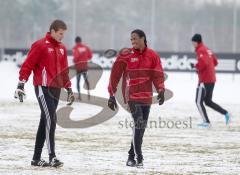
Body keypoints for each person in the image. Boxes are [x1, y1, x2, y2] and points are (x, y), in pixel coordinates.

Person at [14, 19, 75, 167]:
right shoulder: (40, 45)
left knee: (45, 121)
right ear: (53, 31)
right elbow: (28, 65)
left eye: (63, 34)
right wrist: (21, 84)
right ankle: (52, 156)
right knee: (51, 119)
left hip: (56, 89)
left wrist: (69, 88)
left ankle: (36, 158)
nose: (62, 37)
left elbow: (64, 71)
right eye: (60, 34)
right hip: (43, 87)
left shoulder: (62, 48)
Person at [107, 29, 165, 167]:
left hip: (147, 97)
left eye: (135, 39)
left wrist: (161, 90)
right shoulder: (125, 54)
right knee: (138, 125)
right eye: (131, 39)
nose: (133, 42)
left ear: (143, 38)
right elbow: (114, 75)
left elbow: (158, 75)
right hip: (132, 97)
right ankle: (139, 159)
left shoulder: (153, 55)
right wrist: (111, 94)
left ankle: (131, 156)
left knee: (140, 128)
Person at [191, 33, 231, 128]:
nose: (192, 44)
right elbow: (215, 62)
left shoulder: (201, 50)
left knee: (198, 101)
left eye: (193, 42)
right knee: (208, 101)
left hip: (204, 80)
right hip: (211, 79)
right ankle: (226, 113)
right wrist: (204, 68)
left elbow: (203, 63)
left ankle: (206, 122)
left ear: (197, 42)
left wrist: (196, 66)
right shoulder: (207, 49)